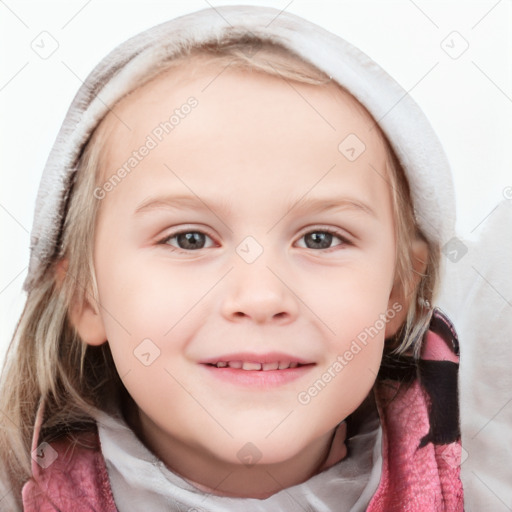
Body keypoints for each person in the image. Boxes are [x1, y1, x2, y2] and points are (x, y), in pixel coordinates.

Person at [0, 5, 464, 511]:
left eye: (320, 239)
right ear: (85, 294)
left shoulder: (483, 474)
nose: (261, 297)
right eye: (189, 239)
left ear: (398, 289)